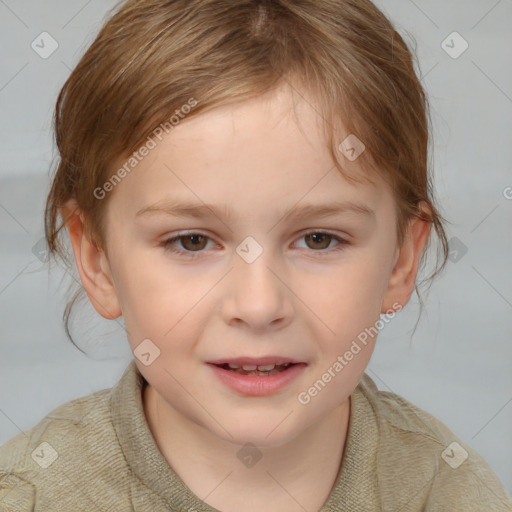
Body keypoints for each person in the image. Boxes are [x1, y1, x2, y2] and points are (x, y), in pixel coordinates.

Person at [1, 0, 511, 510]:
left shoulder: (450, 492)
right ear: (97, 261)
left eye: (318, 239)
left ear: (401, 260)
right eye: (192, 241)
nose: (260, 304)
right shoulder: (32, 496)